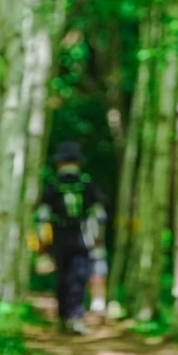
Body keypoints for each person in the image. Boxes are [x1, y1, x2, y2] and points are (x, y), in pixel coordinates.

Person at [39, 141, 108, 335]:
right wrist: (98, 237)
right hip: (82, 238)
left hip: (60, 238)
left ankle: (64, 317)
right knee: (77, 277)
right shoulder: (87, 184)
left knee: (63, 277)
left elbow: (43, 216)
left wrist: (42, 240)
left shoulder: (53, 185)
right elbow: (99, 214)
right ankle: (74, 317)